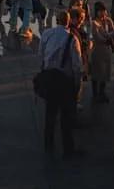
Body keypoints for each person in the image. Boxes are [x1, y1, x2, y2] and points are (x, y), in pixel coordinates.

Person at [37, 9, 84, 158]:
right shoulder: (72, 38)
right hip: (65, 81)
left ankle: (48, 144)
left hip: (50, 78)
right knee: (66, 117)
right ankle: (68, 149)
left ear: (56, 20)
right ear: (68, 21)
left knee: (50, 114)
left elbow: (41, 56)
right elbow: (77, 65)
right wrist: (77, 85)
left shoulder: (46, 34)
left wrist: (43, 73)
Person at [90, 2, 114, 103]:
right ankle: (95, 94)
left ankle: (102, 92)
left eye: (103, 11)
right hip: (97, 51)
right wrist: (107, 37)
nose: (102, 13)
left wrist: (106, 36)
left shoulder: (108, 21)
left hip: (106, 51)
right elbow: (97, 37)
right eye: (100, 11)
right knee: (96, 73)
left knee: (105, 73)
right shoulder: (94, 23)